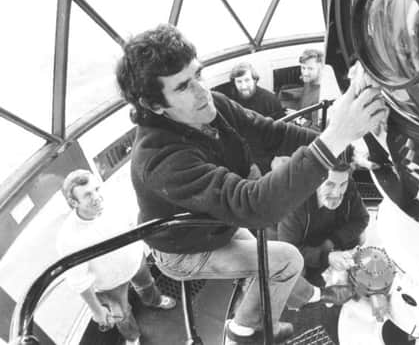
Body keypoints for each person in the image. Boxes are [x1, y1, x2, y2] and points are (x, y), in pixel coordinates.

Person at [114, 24, 387, 344]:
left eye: (198, 75)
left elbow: (274, 134)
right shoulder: (159, 160)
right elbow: (254, 206)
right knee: (286, 259)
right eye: (184, 86)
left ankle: (305, 298)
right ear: (155, 105)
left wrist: (348, 149)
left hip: (216, 223)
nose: (202, 92)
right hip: (184, 249)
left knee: (273, 260)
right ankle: (241, 332)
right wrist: (334, 138)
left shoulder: (212, 108)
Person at [56, 169, 176, 345]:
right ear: (74, 202)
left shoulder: (114, 201)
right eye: (87, 195)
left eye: (96, 189)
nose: (97, 197)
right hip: (110, 284)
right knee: (122, 314)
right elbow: (79, 281)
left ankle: (154, 301)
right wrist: (97, 310)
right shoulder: (69, 238)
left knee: (147, 284)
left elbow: (135, 224)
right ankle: (133, 337)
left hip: (135, 262)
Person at [277, 146, 369, 287]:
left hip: (330, 237)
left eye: (342, 184)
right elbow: (289, 249)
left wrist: (333, 241)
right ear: (315, 180)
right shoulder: (293, 202)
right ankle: (310, 295)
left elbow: (362, 218)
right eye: (330, 185)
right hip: (301, 245)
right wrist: (326, 256)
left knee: (361, 237)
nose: (337, 193)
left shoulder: (349, 185)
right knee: (293, 270)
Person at [226, 61, 286, 173]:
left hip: (267, 155)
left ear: (255, 79)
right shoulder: (230, 103)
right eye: (239, 81)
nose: (243, 86)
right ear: (234, 83)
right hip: (244, 157)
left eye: (247, 80)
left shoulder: (270, 100)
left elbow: (282, 131)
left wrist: (277, 158)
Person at [297, 49, 341, 130]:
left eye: (310, 69)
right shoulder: (308, 80)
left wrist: (298, 119)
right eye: (303, 68)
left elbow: (316, 130)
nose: (305, 73)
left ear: (320, 68)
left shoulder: (322, 96)